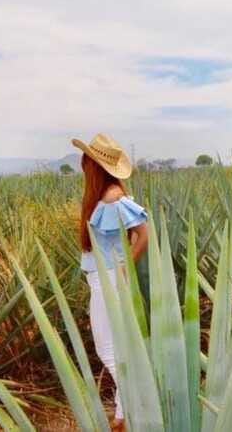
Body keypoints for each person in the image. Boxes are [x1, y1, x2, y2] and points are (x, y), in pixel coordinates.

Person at [72, 133, 149, 432]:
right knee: (117, 348)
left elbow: (142, 234)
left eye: (85, 160)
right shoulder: (104, 196)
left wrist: (124, 268)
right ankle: (121, 416)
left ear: (93, 165)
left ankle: (130, 411)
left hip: (108, 283)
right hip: (102, 281)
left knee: (108, 350)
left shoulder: (113, 197)